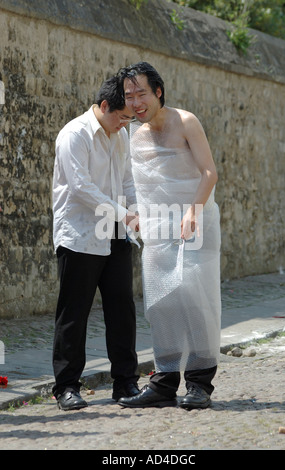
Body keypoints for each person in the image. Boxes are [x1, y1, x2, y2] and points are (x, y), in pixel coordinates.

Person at [117, 62, 221, 410]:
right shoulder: (135, 134)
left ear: (158, 91)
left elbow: (209, 172)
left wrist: (193, 211)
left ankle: (199, 383)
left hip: (195, 223)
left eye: (141, 93)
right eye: (129, 96)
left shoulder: (185, 121)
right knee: (161, 303)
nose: (135, 102)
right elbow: (143, 186)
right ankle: (164, 382)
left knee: (194, 297)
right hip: (158, 230)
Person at [52, 75, 140, 410]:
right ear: (104, 107)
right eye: (121, 117)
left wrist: (134, 211)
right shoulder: (74, 134)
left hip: (116, 231)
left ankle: (126, 383)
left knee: (123, 309)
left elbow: (128, 178)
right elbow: (81, 188)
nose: (124, 124)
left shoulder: (121, 134)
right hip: (80, 234)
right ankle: (66, 387)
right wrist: (123, 213)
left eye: (129, 119)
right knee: (74, 312)